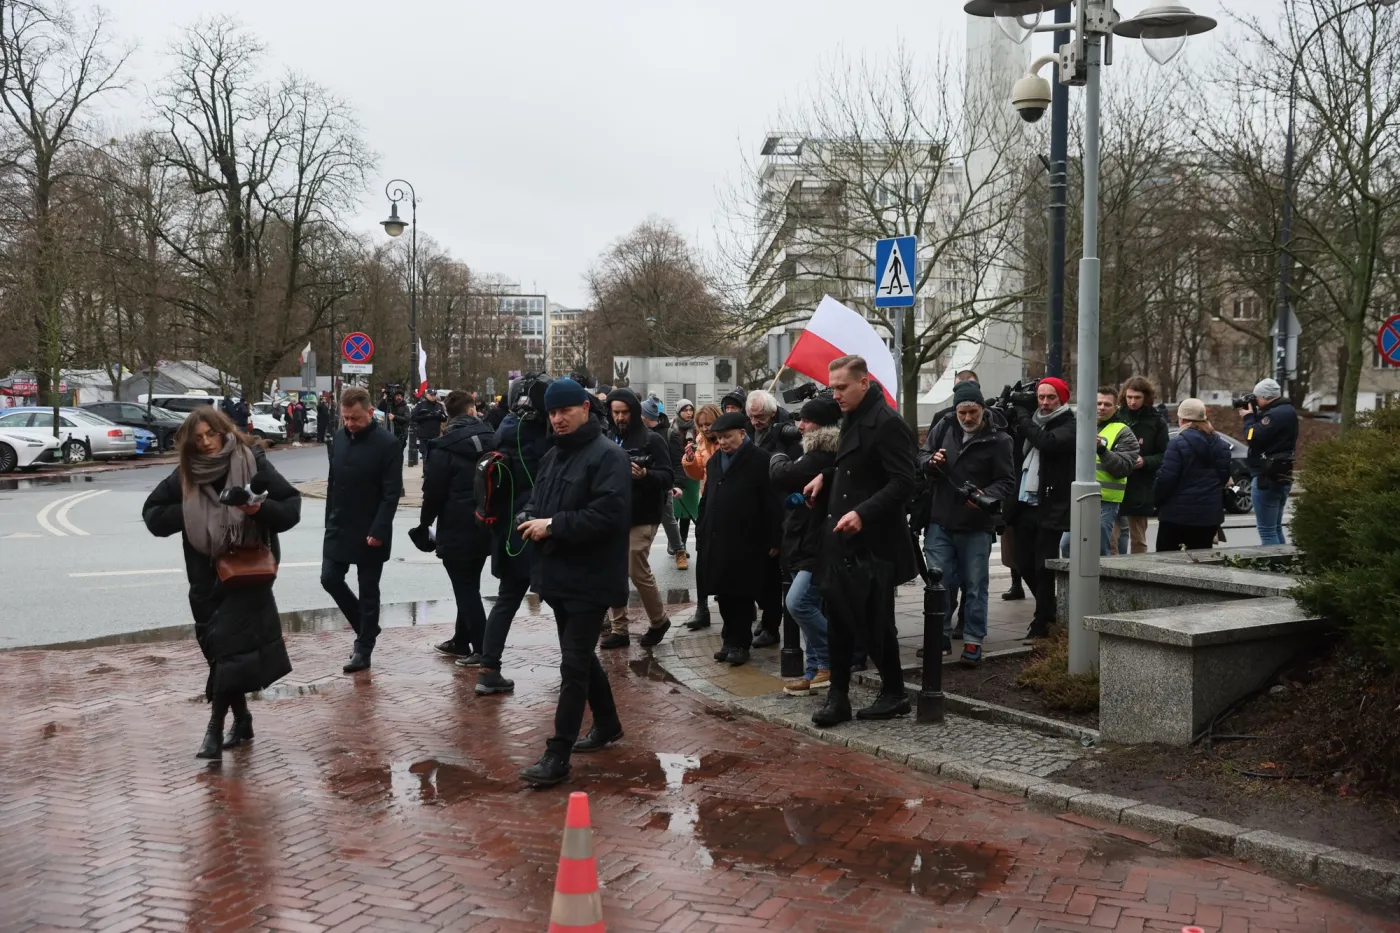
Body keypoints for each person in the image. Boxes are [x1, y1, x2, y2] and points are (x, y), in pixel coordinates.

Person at [141, 407, 301, 758]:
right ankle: (242, 719)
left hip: (247, 573)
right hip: (205, 578)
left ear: (223, 430)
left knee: (229, 649)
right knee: (221, 654)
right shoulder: (186, 475)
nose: (207, 443)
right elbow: (152, 515)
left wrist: (260, 510)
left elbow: (291, 507)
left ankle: (214, 729)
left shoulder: (250, 460)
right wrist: (190, 512)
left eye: (211, 434)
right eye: (198, 439)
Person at [516, 378, 630, 787]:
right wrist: (527, 517)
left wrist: (554, 525)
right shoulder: (553, 455)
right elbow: (536, 500)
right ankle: (608, 722)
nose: (558, 419)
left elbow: (609, 515)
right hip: (557, 576)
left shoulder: (608, 456)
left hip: (590, 578)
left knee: (573, 664)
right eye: (552, 412)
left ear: (584, 407)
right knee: (578, 655)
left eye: (565, 410)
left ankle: (557, 753)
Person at [806, 355, 919, 727]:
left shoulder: (886, 423)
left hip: (874, 544)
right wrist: (826, 475)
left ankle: (894, 693)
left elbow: (904, 481)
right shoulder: (853, 416)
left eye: (841, 387)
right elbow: (854, 465)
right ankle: (839, 698)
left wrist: (863, 514)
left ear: (863, 383)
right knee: (839, 618)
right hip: (843, 540)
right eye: (832, 386)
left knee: (875, 624)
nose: (835, 394)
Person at [917, 381, 1016, 666]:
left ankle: (973, 640)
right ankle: (940, 636)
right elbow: (922, 454)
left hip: (976, 524)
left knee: (975, 584)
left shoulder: (999, 439)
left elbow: (1007, 481)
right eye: (962, 412)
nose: (967, 418)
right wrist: (930, 461)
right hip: (940, 519)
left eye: (972, 412)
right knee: (940, 582)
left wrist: (987, 495)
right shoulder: (945, 426)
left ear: (982, 409)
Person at [474, 375, 552, 694]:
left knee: (506, 600)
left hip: (507, 528)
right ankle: (582, 669)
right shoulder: (540, 435)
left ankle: (489, 668)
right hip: (534, 527)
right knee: (564, 601)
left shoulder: (505, 427)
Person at [322, 387, 403, 673]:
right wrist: (328, 519)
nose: (349, 424)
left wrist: (379, 529)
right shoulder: (340, 438)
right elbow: (333, 482)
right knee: (329, 578)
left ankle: (364, 647)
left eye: (355, 418)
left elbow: (392, 493)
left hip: (371, 527)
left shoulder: (388, 444)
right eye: (345, 418)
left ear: (370, 413)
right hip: (339, 524)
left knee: (369, 589)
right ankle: (366, 626)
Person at [696, 410, 782, 667]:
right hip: (717, 538)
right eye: (719, 438)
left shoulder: (760, 460)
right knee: (723, 593)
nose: (722, 442)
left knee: (742, 594)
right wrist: (701, 529)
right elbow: (706, 499)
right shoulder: (714, 462)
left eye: (728, 437)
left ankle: (740, 643)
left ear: (742, 434)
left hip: (748, 541)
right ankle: (728, 640)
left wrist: (775, 539)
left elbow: (773, 503)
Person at [768, 395, 841, 694]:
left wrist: (777, 453)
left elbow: (782, 475)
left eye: (807, 420)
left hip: (817, 544)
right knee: (806, 605)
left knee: (798, 602)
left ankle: (835, 657)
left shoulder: (821, 453)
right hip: (803, 541)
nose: (800, 426)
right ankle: (816, 671)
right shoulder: (812, 451)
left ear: (820, 424)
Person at [417, 390, 496, 661]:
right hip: (487, 522)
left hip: (455, 527)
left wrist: (424, 524)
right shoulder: (492, 437)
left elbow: (433, 493)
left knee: (465, 588)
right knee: (469, 584)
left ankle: (484, 650)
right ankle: (461, 640)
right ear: (473, 409)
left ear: (448, 415)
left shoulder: (442, 447)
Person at [601, 387, 674, 650]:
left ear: (634, 411)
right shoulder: (607, 437)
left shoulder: (651, 440)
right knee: (612, 569)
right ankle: (619, 628)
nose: (620, 417)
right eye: (615, 412)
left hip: (643, 514)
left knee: (635, 567)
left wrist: (645, 476)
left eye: (625, 412)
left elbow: (668, 476)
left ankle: (658, 620)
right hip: (614, 514)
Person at [1009, 377, 1075, 639]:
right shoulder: (1032, 421)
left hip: (1052, 505)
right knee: (1023, 563)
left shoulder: (1070, 424)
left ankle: (1042, 620)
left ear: (1062, 399)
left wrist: (1023, 415)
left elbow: (1046, 441)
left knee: (1042, 566)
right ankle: (1050, 610)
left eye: (1051, 398)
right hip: (1025, 503)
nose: (1045, 403)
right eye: (1041, 397)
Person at [1155, 399, 1232, 551]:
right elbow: (1224, 478)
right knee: (1201, 563)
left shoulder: (1176, 444)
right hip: (1209, 516)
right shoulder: (1222, 446)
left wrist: (1156, 500)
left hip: (1176, 516)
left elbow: (1166, 479)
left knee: (1166, 563)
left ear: (1182, 419)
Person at [1113, 376, 1168, 554]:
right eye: (1129, 397)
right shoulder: (1117, 416)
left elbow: (1164, 454)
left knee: (1139, 539)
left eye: (1137, 398)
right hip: (1115, 480)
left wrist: (1145, 461)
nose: (1133, 401)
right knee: (1110, 538)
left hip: (1141, 484)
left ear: (1146, 398)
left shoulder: (1156, 421)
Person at [1242, 378, 1298, 546]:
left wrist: (1248, 418)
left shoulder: (1273, 416)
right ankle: (1283, 564)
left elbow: (1252, 436)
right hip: (1282, 473)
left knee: (1267, 531)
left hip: (1266, 476)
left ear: (1266, 397)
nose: (1256, 401)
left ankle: (1273, 568)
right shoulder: (1287, 411)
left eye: (1257, 398)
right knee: (1275, 528)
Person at [1089, 386, 1140, 557]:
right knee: (1067, 545)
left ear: (1115, 407)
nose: (1101, 407)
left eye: (1107, 404)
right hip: (1078, 498)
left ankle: (1102, 583)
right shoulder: (1080, 427)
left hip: (1106, 500)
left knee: (1101, 549)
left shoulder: (1123, 432)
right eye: (1098, 403)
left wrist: (1102, 450)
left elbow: (1123, 468)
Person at [682, 403, 720, 630]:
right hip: (707, 500)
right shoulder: (700, 442)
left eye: (709, 424)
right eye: (701, 425)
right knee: (702, 554)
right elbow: (697, 473)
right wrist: (689, 461)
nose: (705, 428)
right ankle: (702, 607)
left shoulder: (728, 438)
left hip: (727, 502)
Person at [641, 396, 686, 567]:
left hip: (662, 484)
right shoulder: (638, 434)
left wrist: (678, 484)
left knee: (668, 519)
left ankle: (679, 551)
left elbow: (677, 461)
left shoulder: (668, 433)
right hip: (642, 483)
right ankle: (638, 556)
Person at [668, 400, 701, 569]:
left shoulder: (697, 429)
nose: (688, 413)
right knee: (674, 510)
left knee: (688, 511)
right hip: (676, 471)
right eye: (685, 410)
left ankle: (682, 545)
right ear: (678, 411)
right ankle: (673, 542)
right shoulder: (671, 428)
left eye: (691, 409)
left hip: (692, 473)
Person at [412, 389, 448, 465]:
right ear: (426, 395)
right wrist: (426, 416)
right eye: (431, 395)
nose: (433, 397)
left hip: (435, 435)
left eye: (434, 395)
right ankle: (426, 473)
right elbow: (414, 418)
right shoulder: (421, 405)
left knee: (434, 455)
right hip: (424, 435)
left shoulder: (439, 405)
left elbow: (445, 418)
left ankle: (432, 473)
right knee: (425, 455)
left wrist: (439, 415)